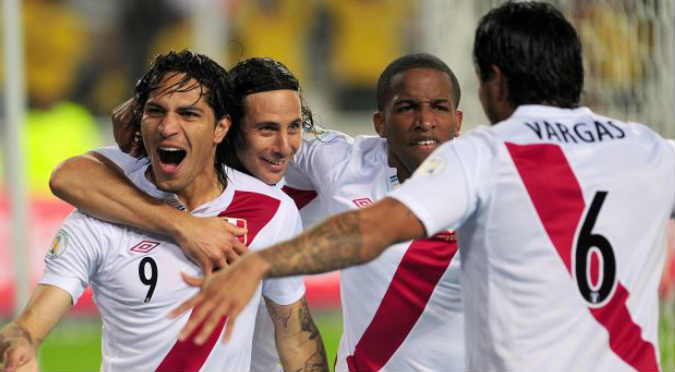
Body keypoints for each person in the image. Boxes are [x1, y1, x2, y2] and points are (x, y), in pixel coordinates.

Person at [170, 3, 675, 372]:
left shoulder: (482, 156)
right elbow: (259, 140)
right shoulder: (652, 152)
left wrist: (261, 262)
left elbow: (370, 230)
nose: (425, 122)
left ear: (491, 85)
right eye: (408, 108)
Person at [48, 53, 466, 371]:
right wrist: (183, 224)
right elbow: (70, 177)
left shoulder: (322, 162)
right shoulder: (173, 166)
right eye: (266, 130)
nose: (284, 146)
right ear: (225, 127)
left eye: (294, 128)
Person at [0, 50, 327, 372]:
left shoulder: (272, 212)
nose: (168, 126)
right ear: (140, 121)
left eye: (188, 114)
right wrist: (23, 338)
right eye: (156, 111)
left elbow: (295, 336)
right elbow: (35, 319)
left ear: (220, 128)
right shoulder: (103, 212)